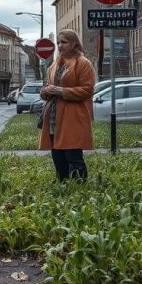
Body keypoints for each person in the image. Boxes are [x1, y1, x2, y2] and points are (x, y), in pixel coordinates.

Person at [38, 29, 97, 181]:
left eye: (64, 42)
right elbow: (46, 87)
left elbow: (88, 89)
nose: (60, 46)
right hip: (53, 117)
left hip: (73, 117)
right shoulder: (55, 64)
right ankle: (63, 184)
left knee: (73, 155)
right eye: (58, 42)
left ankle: (79, 186)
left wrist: (61, 91)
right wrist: (46, 91)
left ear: (74, 43)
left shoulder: (83, 63)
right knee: (57, 155)